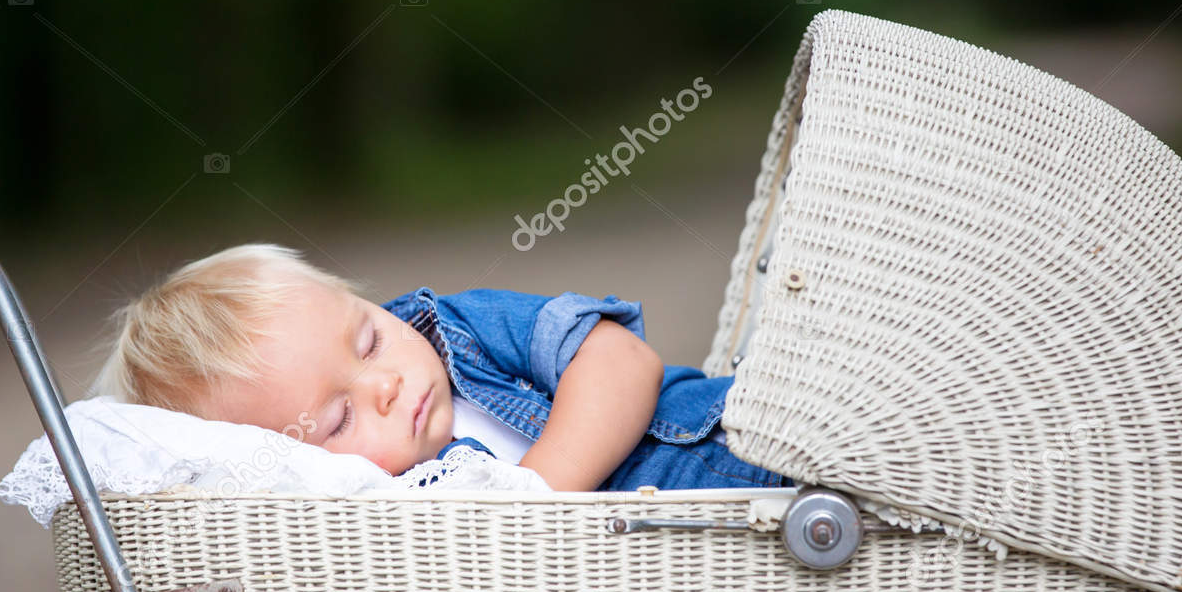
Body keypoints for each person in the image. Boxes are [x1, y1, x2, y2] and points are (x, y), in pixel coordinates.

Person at [93, 243, 794, 492]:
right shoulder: (389, 511)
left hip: (756, 448)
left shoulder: (453, 330)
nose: (386, 384)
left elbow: (621, 359)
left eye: (369, 340)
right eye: (339, 418)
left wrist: (533, 497)